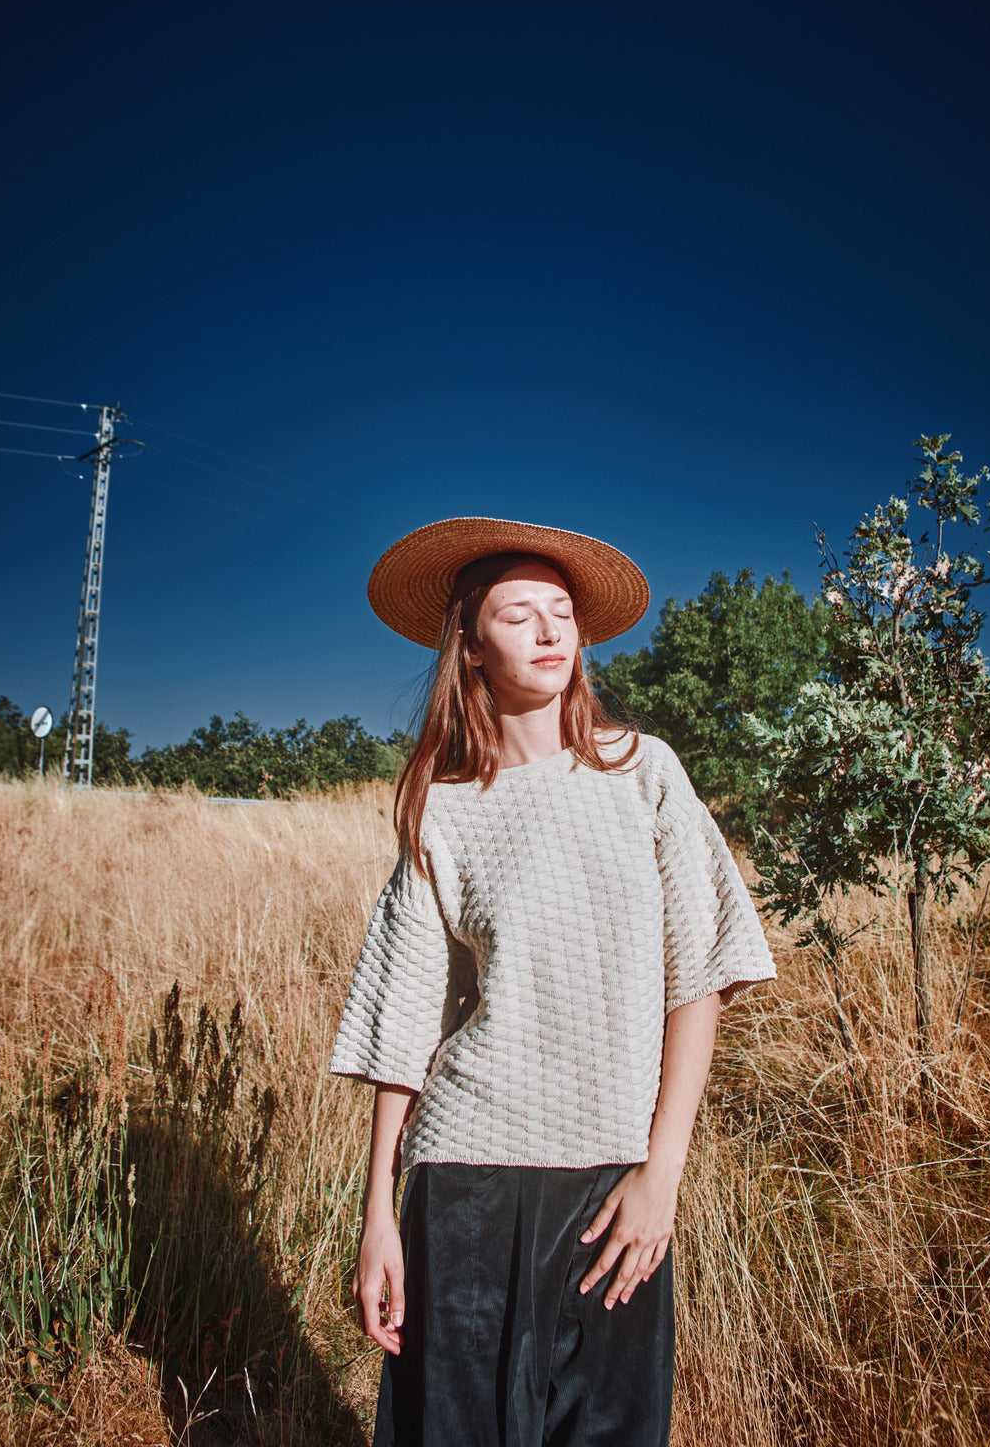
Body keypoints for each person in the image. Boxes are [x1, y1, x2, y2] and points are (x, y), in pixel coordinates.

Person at [331, 517, 776, 1447]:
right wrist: (379, 1214)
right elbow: (402, 1023)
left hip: (613, 1182)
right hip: (463, 1183)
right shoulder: (440, 810)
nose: (549, 633)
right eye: (517, 614)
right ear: (469, 643)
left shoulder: (643, 773)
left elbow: (698, 978)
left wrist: (663, 1171)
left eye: (562, 612)